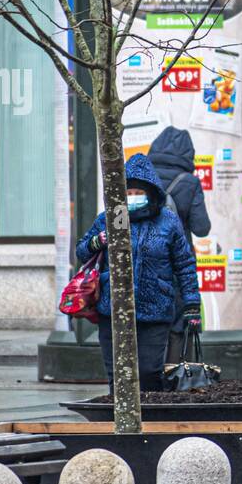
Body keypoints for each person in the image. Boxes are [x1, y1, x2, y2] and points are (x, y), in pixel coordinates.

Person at [75, 153, 202, 393]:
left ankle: (152, 420)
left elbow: (185, 264)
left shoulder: (168, 222)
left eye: (138, 193)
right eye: (129, 193)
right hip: (113, 310)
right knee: (117, 374)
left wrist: (192, 305)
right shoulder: (108, 219)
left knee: (149, 372)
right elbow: (82, 250)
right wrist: (98, 241)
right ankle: (120, 424)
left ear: (151, 193)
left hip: (155, 311)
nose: (133, 198)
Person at [147, 126, 212, 362]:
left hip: (145, 258)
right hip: (178, 262)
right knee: (177, 320)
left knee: (147, 318)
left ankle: (147, 377)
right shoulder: (189, 183)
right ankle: (173, 372)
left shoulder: (143, 177)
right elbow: (201, 228)